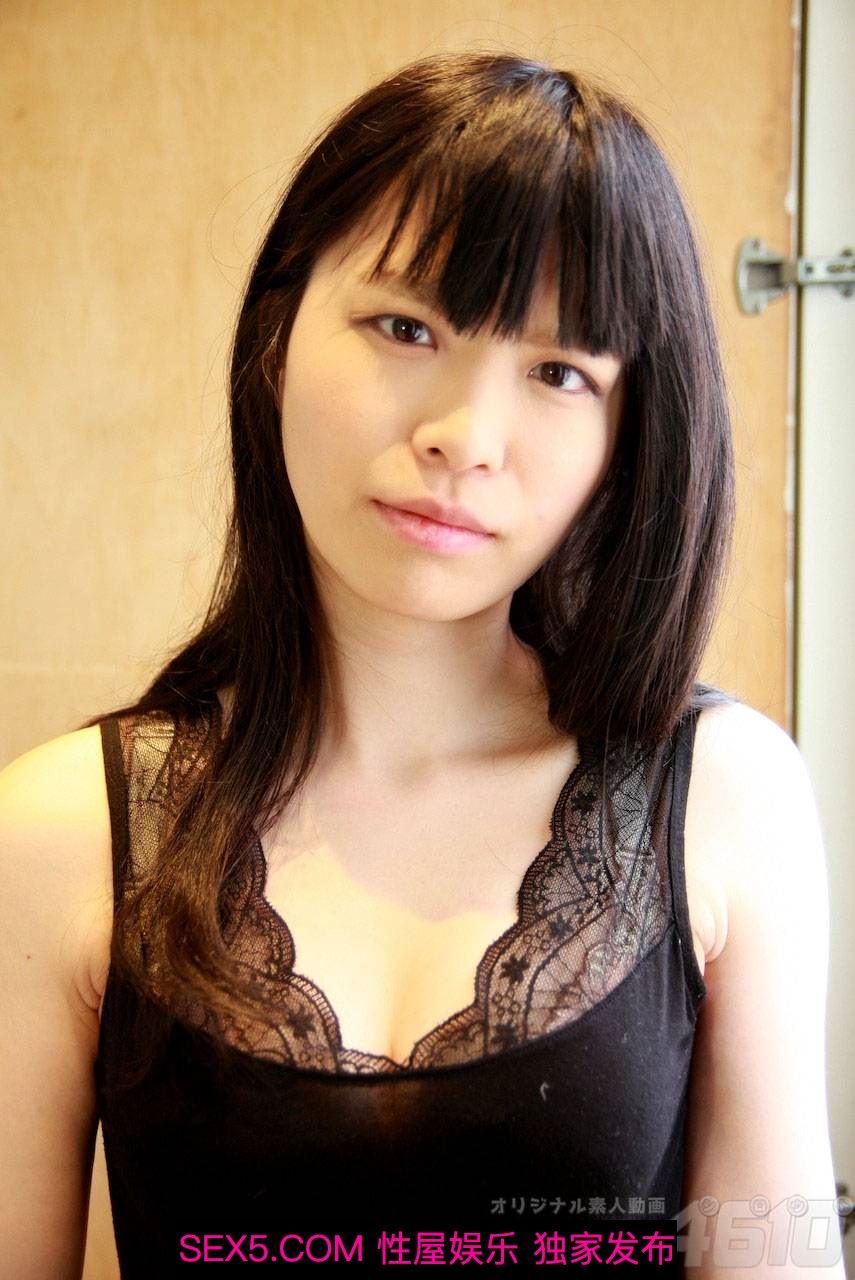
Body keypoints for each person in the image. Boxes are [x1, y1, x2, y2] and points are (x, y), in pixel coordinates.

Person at [0, 50, 844, 1279]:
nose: (464, 435)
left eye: (559, 372)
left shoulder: (726, 798)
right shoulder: (58, 829)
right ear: (279, 333)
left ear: (629, 431)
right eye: (407, 326)